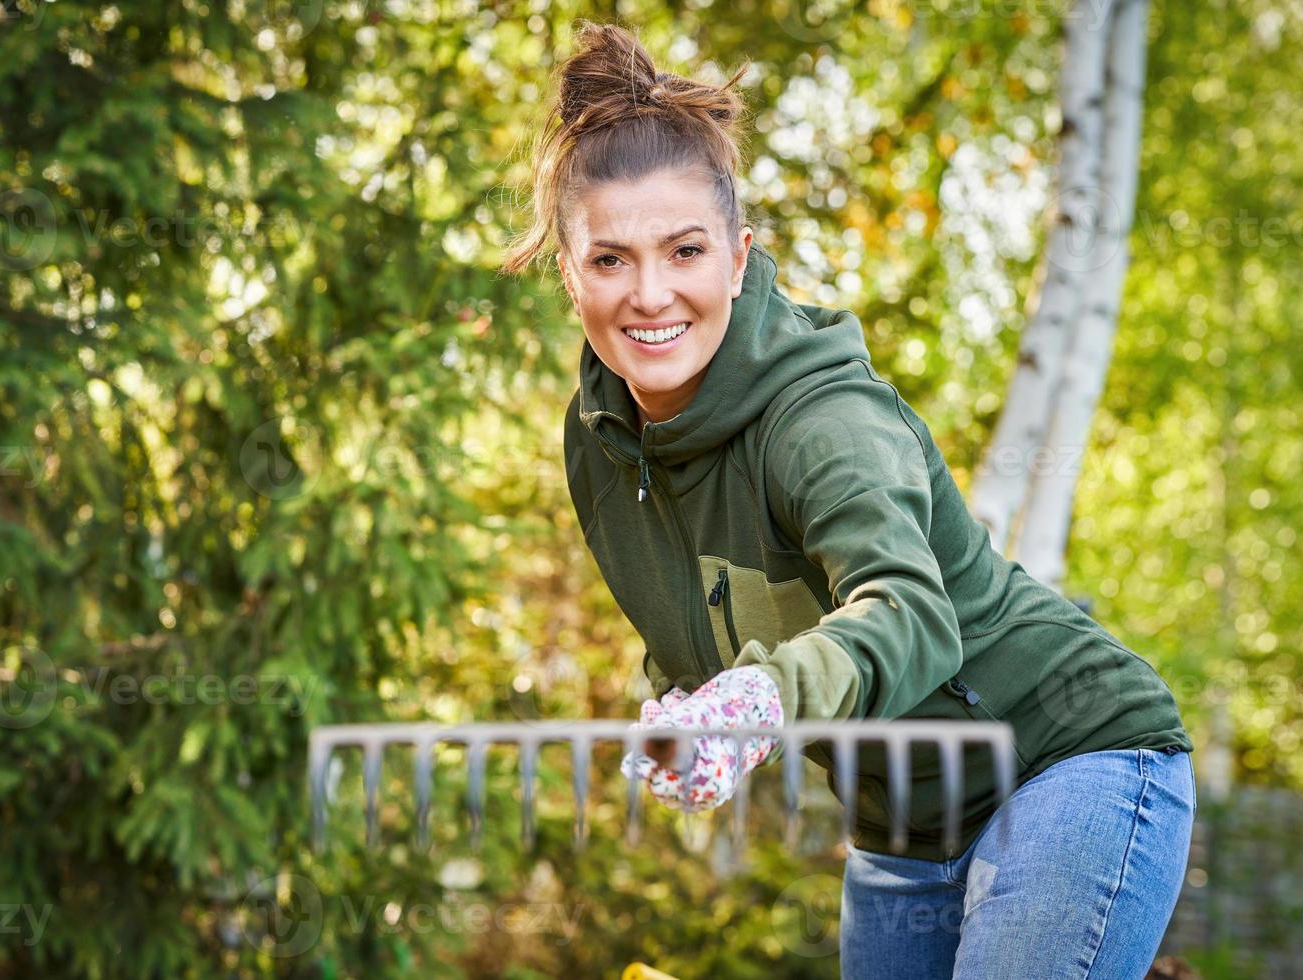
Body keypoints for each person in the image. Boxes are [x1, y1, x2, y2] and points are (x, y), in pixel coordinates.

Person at [499, 20, 1197, 979]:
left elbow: (911, 616)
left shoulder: (820, 419)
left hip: (1068, 756)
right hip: (906, 824)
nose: (651, 294)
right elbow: (691, 631)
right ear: (568, 273)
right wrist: (678, 714)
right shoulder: (602, 445)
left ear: (739, 259)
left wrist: (755, 700)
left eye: (686, 251)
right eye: (611, 259)